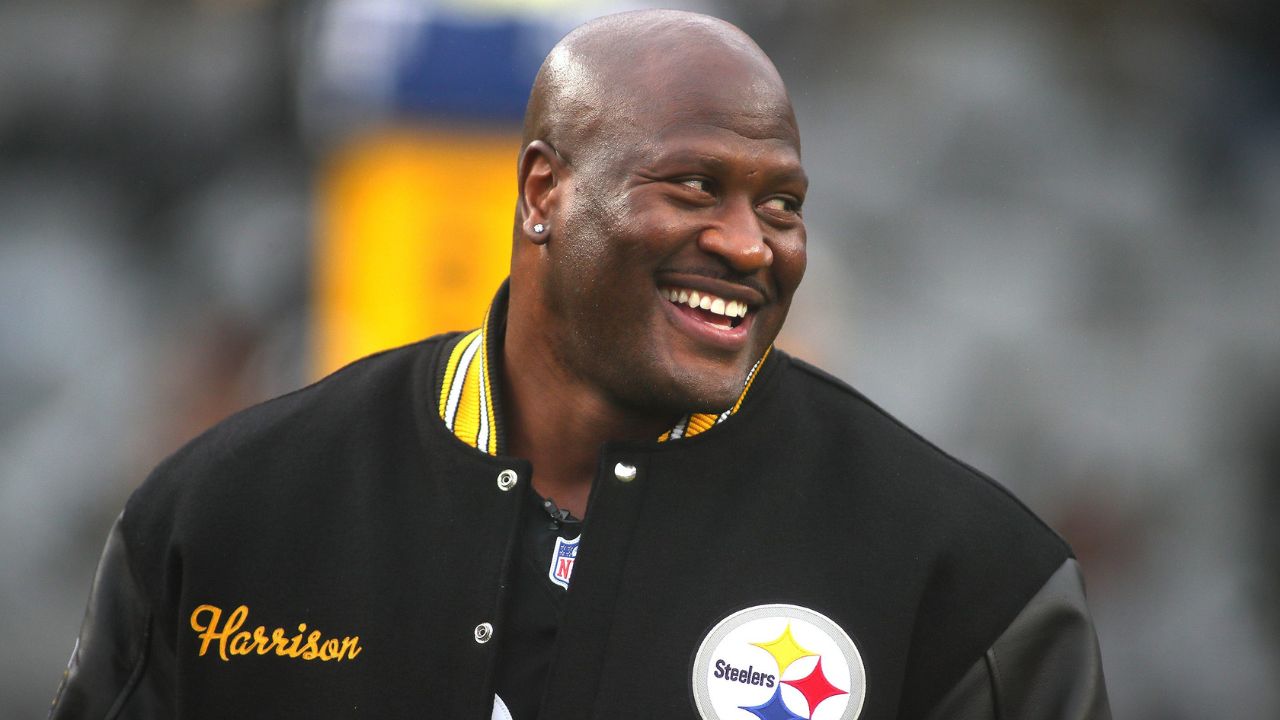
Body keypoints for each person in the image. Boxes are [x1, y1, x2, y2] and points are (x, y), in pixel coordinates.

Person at [50, 9, 1110, 720]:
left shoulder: (967, 582)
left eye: (780, 204)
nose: (750, 244)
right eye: (692, 187)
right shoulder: (224, 517)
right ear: (540, 193)